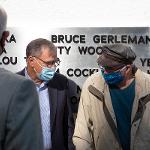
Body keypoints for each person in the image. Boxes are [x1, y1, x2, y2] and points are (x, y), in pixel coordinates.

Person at [73, 44, 150, 150]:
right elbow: (82, 133)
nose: (104, 72)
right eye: (102, 67)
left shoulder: (148, 86)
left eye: (110, 69)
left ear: (127, 68)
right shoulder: (92, 85)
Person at [17, 38, 75, 150]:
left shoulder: (61, 83)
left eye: (55, 62)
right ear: (31, 61)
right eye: (48, 63)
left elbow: (68, 125)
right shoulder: (13, 84)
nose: (53, 67)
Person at [0, 6, 44, 150]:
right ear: (5, 38)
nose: (52, 68)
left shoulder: (63, 85)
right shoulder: (19, 89)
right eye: (48, 63)